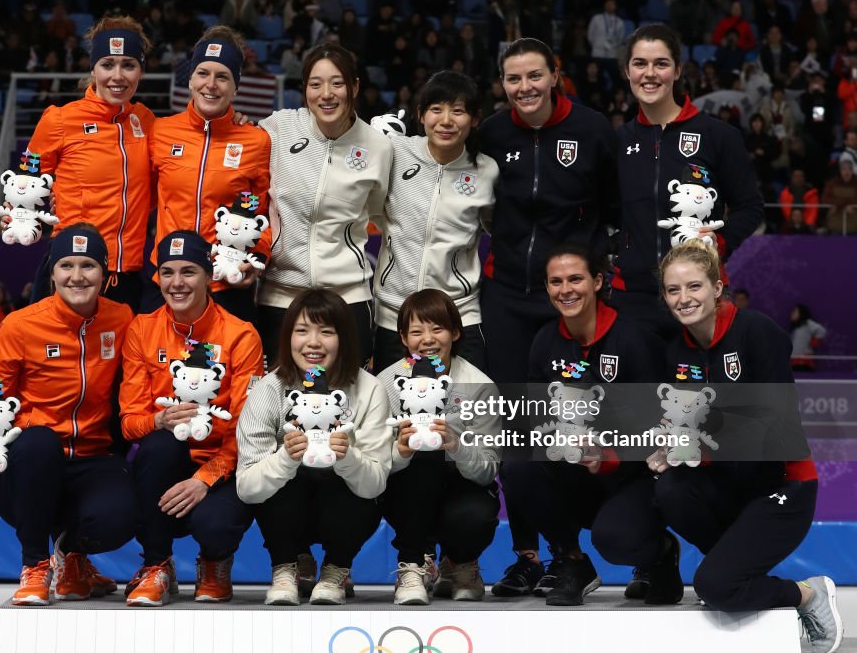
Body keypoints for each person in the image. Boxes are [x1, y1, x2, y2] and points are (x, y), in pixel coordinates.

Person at [648, 241, 841, 653]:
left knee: (714, 587)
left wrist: (702, 441)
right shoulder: (677, 350)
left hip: (783, 485)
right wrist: (670, 442)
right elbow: (687, 420)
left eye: (694, 286)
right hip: (728, 483)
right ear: (664, 296)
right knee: (670, 491)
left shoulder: (757, 332)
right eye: (673, 290)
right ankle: (736, 575)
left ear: (718, 287)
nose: (684, 299)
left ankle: (807, 595)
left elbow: (777, 428)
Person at [0, 224, 138, 605]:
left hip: (91, 459)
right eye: (66, 266)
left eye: (87, 266)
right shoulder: (21, 324)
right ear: (52, 273)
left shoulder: (122, 319)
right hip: (29, 467)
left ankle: (72, 557)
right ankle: (35, 565)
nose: (77, 276)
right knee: (38, 440)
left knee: (125, 514)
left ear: (105, 273)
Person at [493, 245, 672, 604]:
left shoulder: (633, 338)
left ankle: (659, 556)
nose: (566, 289)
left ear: (598, 282)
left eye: (576, 279)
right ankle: (572, 560)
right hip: (575, 472)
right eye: (556, 282)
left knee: (616, 540)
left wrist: (610, 453)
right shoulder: (544, 341)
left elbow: (659, 424)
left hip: (629, 476)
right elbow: (538, 416)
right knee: (517, 464)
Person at [119, 231, 265, 605]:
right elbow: (130, 421)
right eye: (167, 273)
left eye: (189, 272)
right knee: (158, 446)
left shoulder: (241, 335)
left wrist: (204, 479)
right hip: (169, 465)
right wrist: (159, 421)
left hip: (223, 467)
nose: (177, 283)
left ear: (208, 275)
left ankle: (215, 561)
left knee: (214, 526)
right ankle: (157, 565)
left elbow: (248, 431)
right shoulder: (141, 329)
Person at [236, 288, 391, 605]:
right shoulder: (269, 389)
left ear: (344, 339)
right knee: (277, 478)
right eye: (302, 330)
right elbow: (247, 488)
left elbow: (376, 483)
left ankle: (337, 569)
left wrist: (348, 457)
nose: (313, 343)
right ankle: (285, 567)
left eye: (327, 332)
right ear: (287, 336)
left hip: (342, 504)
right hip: (292, 504)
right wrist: (285, 459)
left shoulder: (370, 389)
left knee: (359, 485)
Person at [478, 37, 619, 383]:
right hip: (506, 291)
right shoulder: (492, 133)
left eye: (535, 76)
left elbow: (614, 207)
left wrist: (597, 266)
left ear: (555, 76)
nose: (525, 87)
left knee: (571, 407)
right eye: (514, 79)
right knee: (510, 405)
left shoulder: (592, 129)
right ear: (503, 83)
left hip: (569, 295)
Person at [613, 24, 764, 339]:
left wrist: (718, 244)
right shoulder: (616, 142)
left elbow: (750, 207)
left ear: (678, 70)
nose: (650, 73)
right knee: (635, 390)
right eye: (640, 63)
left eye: (661, 63)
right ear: (627, 71)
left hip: (698, 294)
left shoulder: (719, 136)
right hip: (631, 299)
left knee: (699, 389)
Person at [256, 44, 393, 366]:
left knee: (347, 401)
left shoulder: (379, 146)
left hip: (347, 295)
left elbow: (381, 214)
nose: (326, 94)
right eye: (315, 84)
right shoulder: (279, 128)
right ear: (304, 90)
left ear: (355, 87)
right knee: (279, 400)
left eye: (337, 83)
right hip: (280, 292)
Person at [376, 290, 500, 604]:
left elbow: (488, 469)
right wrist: (401, 451)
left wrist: (456, 446)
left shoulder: (479, 385)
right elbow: (374, 464)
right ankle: (413, 564)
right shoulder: (387, 383)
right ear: (403, 338)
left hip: (462, 485)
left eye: (437, 329)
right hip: (406, 488)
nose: (428, 339)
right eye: (417, 331)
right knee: (419, 458)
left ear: (456, 332)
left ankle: (460, 563)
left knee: (475, 515)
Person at [24, 15, 155, 310]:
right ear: (93, 69)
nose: (117, 76)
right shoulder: (60, 119)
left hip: (127, 276)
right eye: (108, 64)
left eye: (129, 65)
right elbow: (26, 177)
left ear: (141, 72)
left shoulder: (146, 121)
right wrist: (20, 215)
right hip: (73, 269)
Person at [371, 71, 497, 371]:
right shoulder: (395, 153)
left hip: (458, 314)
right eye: (436, 109)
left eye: (458, 111)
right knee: (395, 413)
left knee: (465, 411)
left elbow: (494, 225)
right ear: (421, 115)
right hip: (395, 315)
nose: (446, 120)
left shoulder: (486, 170)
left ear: (475, 118)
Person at [146, 26, 272, 322]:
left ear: (235, 87)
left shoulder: (255, 141)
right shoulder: (161, 131)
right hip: (168, 276)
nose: (211, 84)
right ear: (190, 79)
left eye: (222, 76)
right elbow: (137, 193)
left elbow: (262, 212)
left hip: (227, 279)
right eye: (203, 73)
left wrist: (256, 258)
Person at [789, 304, 826, 371]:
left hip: (803, 364)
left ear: (801, 313)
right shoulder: (796, 328)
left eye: (794, 312)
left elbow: (821, 330)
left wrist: (815, 341)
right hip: (794, 362)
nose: (792, 314)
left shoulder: (808, 323)